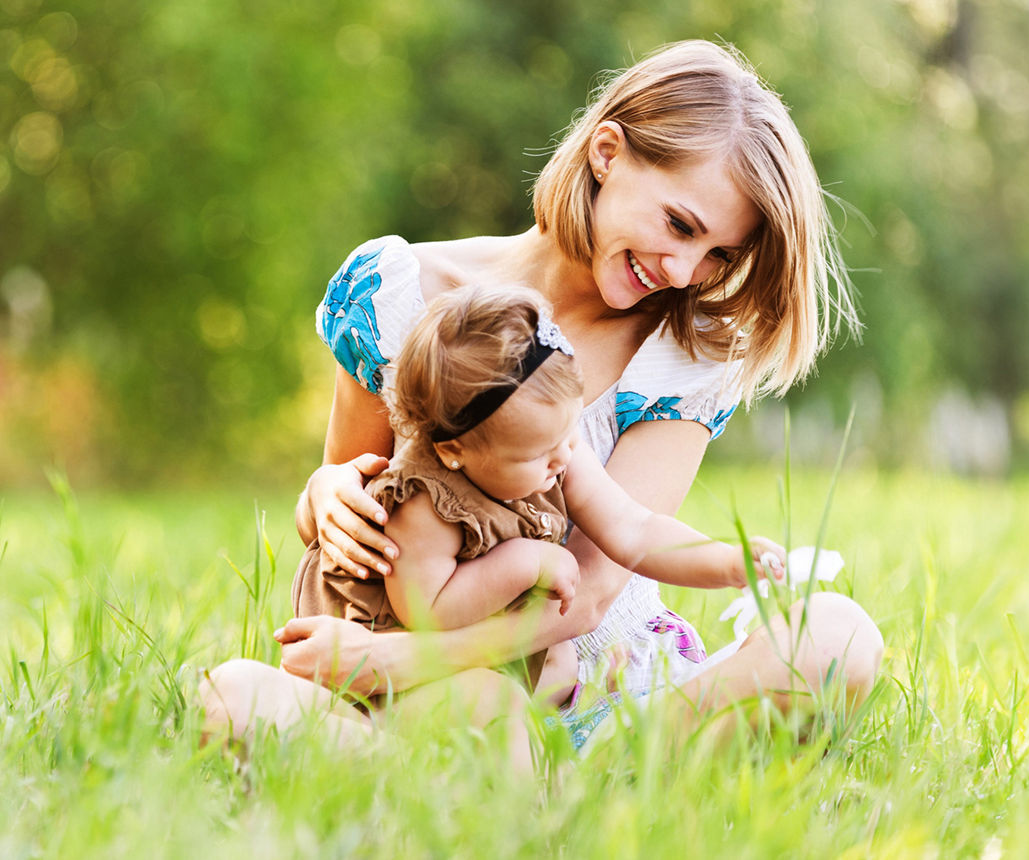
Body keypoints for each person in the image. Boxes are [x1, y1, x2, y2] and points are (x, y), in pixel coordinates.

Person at [202, 39, 883, 755]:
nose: (684, 270)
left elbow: (589, 589)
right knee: (231, 698)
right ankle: (485, 785)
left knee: (837, 640)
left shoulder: (684, 354)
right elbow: (353, 500)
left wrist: (407, 658)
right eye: (679, 225)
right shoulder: (396, 290)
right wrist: (328, 494)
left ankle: (530, 780)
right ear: (607, 153)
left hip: (600, 697)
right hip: (418, 695)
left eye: (720, 254)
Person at [292, 283, 788, 707]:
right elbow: (431, 613)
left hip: (467, 660)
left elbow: (634, 531)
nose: (561, 461)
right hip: (389, 658)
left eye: (565, 437)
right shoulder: (424, 503)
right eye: (538, 453)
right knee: (488, 703)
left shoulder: (552, 450)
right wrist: (522, 562)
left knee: (541, 678)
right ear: (452, 451)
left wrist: (726, 563)